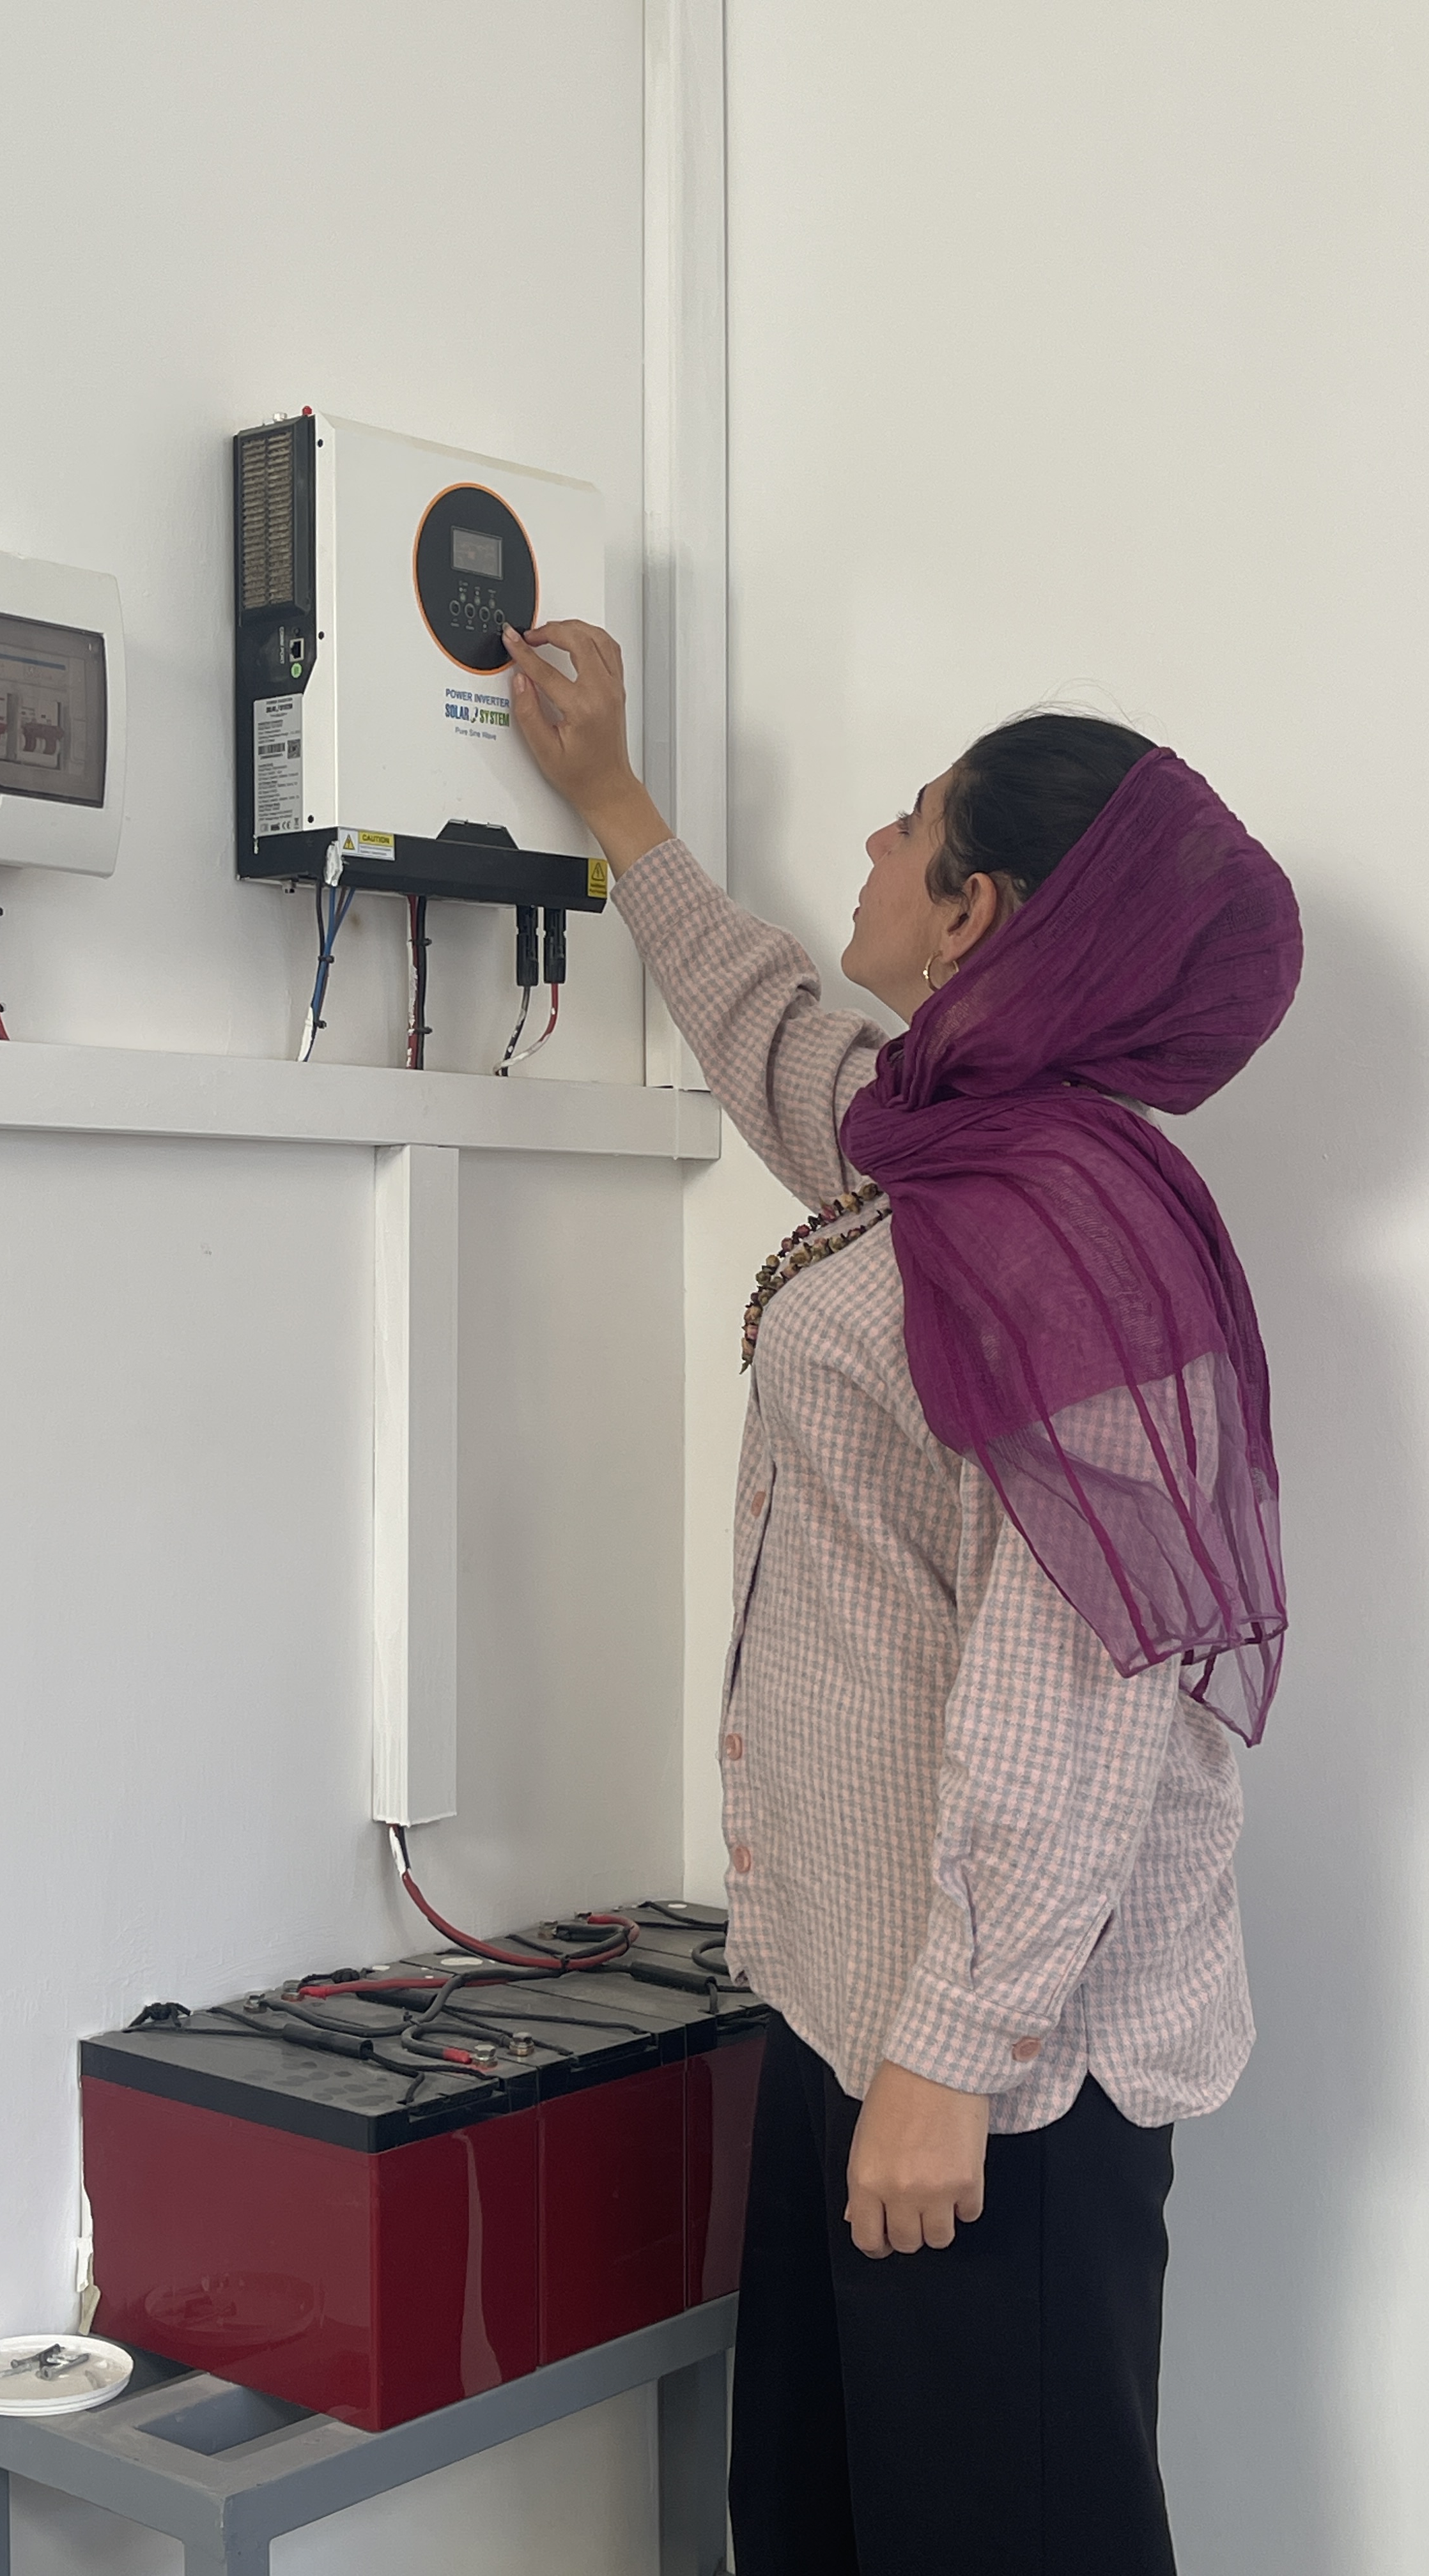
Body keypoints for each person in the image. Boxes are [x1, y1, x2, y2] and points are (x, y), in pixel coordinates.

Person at [502, 619, 1302, 2576]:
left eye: (910, 819)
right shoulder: (949, 1156)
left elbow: (1074, 1698)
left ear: (974, 912)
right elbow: (779, 1041)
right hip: (859, 2010)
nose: (868, 842)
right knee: (816, 2526)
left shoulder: (1063, 1238)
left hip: (1000, 2081)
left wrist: (952, 2065)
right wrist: (614, 802)